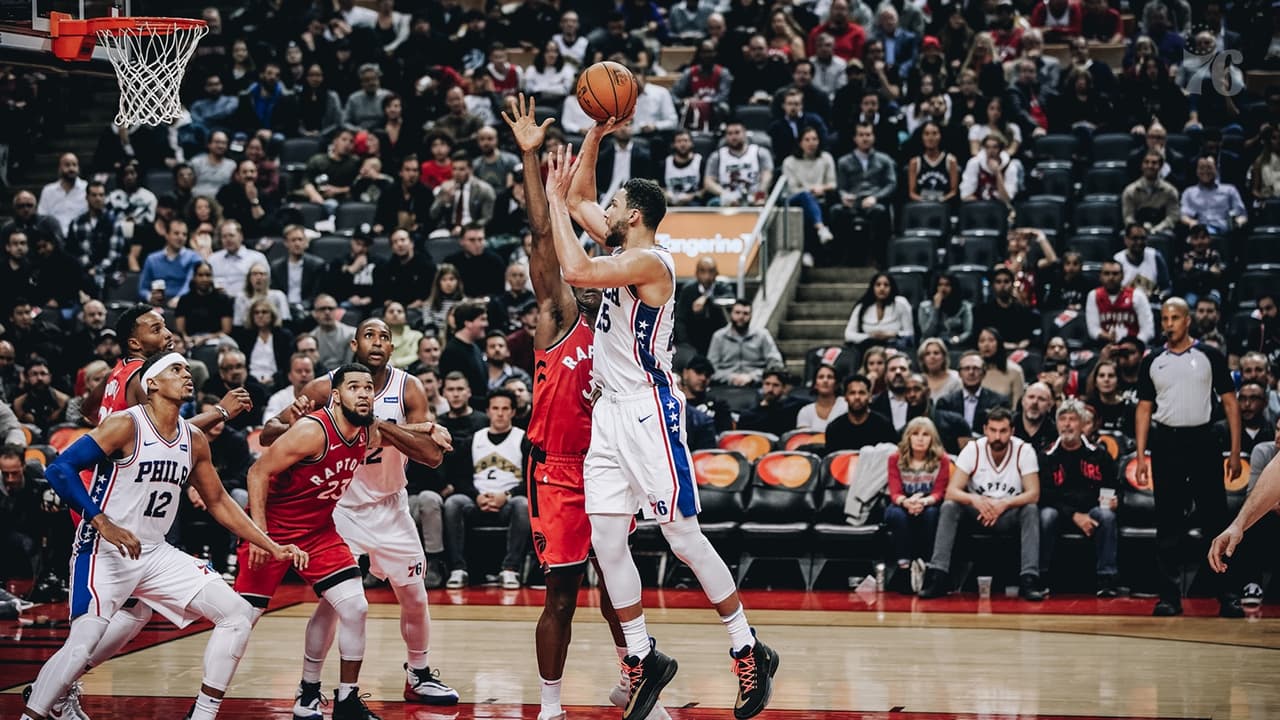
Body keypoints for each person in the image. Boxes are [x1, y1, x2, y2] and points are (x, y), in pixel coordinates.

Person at [551, 120, 778, 720]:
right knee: (605, 541)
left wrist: (552, 203)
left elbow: (574, 265)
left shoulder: (651, 263)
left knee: (681, 536)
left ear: (636, 216)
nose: (609, 207)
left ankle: (748, 646)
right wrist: (596, 131)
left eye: (618, 204)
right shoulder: (627, 244)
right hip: (608, 415)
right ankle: (642, 656)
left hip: (650, 411)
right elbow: (579, 200)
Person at [500, 96, 669, 719]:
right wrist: (531, 162)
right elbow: (547, 235)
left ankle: (636, 679)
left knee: (617, 587)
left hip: (608, 460)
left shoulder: (626, 327)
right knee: (563, 594)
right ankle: (549, 705)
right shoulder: (561, 319)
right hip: (556, 470)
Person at [20, 352, 306, 720]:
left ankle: (202, 715)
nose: (186, 375)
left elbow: (218, 500)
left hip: (154, 553)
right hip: (103, 551)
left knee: (236, 613)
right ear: (151, 383)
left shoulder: (194, 438)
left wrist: (270, 544)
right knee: (81, 645)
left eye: (188, 369)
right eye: (176, 369)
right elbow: (60, 468)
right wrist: (100, 520)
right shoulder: (126, 425)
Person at [259, 322, 459, 709]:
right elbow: (270, 434)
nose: (378, 342)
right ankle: (309, 686)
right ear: (354, 344)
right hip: (340, 508)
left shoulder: (408, 387)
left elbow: (432, 456)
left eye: (385, 336)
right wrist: (299, 419)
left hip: (390, 504)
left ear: (393, 346)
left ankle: (418, 674)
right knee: (335, 603)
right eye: (370, 335)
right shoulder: (323, 388)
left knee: (415, 597)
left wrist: (383, 428)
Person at [1135, 298, 1244, 618]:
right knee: (1168, 522)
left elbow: (1230, 404)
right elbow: (1143, 409)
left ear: (1188, 320)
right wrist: (1142, 456)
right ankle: (1169, 597)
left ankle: (1228, 594)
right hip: (1167, 443)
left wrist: (1235, 452)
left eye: (1174, 318)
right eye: (1164, 318)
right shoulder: (1152, 360)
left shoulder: (1210, 355)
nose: (1168, 323)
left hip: (1204, 442)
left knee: (1216, 519)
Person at [919, 407, 1046, 601]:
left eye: (1003, 431)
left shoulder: (1024, 450)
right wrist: (975, 500)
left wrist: (1004, 503)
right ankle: (938, 575)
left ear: (1012, 432)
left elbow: (1034, 494)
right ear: (985, 430)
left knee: (1030, 509)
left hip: (1008, 514)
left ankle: (1029, 578)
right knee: (949, 506)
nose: (997, 436)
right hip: (976, 513)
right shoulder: (973, 449)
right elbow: (951, 491)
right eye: (993, 430)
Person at [1039, 399, 1119, 595]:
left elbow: (1114, 487)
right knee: (1045, 515)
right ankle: (1041, 577)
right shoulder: (1047, 455)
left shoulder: (1099, 454)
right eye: (1062, 419)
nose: (1067, 424)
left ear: (1083, 425)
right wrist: (1074, 515)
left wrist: (1116, 501)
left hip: (1092, 510)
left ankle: (1106, 580)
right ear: (1056, 424)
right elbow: (1045, 494)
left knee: (1107, 516)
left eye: (1072, 419)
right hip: (1059, 511)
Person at [885, 417, 949, 593]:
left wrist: (923, 501)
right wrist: (907, 502)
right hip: (902, 502)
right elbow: (895, 491)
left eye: (926, 435)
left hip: (928, 503)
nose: (920, 439)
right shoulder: (895, 458)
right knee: (897, 515)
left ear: (932, 439)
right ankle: (904, 568)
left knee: (932, 515)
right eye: (915, 434)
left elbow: (939, 492)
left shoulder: (942, 460)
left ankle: (928, 568)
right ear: (908, 437)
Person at [706, 300, 782, 387]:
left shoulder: (762, 335)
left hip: (756, 385)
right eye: (737, 313)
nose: (741, 317)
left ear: (751, 316)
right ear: (731, 314)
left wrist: (753, 377)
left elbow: (776, 365)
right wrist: (730, 377)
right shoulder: (719, 336)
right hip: (725, 385)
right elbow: (710, 368)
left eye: (745, 313)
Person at [937, 350, 1011, 435]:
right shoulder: (945, 403)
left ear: (983, 373)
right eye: (966, 368)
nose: (971, 372)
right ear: (959, 374)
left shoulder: (999, 402)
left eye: (976, 368)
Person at [824, 374, 898, 452]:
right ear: (845, 397)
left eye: (862, 393)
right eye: (852, 393)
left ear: (869, 396)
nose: (857, 397)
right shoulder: (834, 429)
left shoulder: (884, 426)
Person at [844, 273, 914, 350]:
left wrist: (893, 335)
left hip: (894, 348)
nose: (882, 288)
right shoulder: (862, 306)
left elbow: (910, 333)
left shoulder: (900, 303)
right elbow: (848, 335)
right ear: (872, 287)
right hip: (867, 348)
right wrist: (870, 336)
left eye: (886, 285)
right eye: (878, 285)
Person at [795, 363, 848, 431]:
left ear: (836, 384)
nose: (825, 381)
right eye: (821, 377)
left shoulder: (846, 405)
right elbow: (804, 439)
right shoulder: (805, 412)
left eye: (830, 377)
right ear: (815, 384)